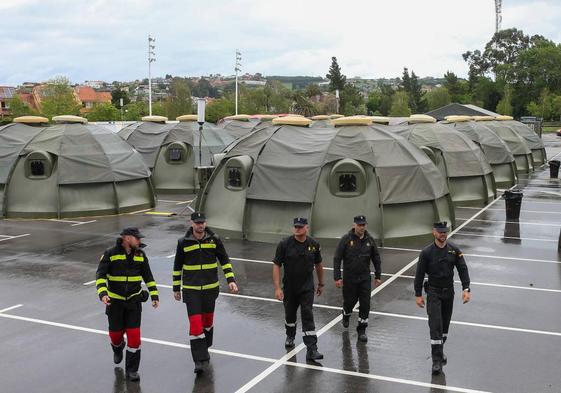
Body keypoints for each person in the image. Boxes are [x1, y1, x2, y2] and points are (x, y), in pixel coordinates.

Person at [173, 212, 238, 374]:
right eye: (197, 223)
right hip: (191, 290)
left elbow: (224, 260)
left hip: (210, 289)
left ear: (205, 223)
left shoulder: (214, 239)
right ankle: (199, 360)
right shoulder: (183, 242)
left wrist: (231, 280)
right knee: (195, 324)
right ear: (192, 223)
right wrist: (176, 288)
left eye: (202, 222)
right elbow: (177, 266)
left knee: (207, 322)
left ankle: (205, 348)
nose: (200, 225)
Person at [96, 227, 159, 381]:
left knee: (135, 338)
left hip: (134, 302)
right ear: (127, 238)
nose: (140, 241)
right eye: (137, 238)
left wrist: (154, 295)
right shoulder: (110, 253)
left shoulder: (141, 255)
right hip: (114, 302)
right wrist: (103, 294)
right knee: (116, 335)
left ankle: (132, 370)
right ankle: (117, 348)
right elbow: (100, 275)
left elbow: (148, 277)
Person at [414, 221, 471, 375]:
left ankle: (440, 350)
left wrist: (466, 288)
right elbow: (419, 275)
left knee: (444, 327)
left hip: (448, 293)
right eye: (440, 232)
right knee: (435, 326)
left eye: (444, 232)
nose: (443, 234)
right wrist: (418, 294)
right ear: (434, 232)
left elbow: (462, 268)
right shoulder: (426, 253)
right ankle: (436, 361)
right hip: (433, 293)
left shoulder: (453, 250)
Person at [273, 217, 325, 361]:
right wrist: (277, 288)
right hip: (289, 287)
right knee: (290, 315)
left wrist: (321, 283)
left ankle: (312, 349)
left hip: (306, 287)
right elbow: (276, 265)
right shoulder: (284, 244)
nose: (298, 229)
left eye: (301, 227)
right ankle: (290, 335)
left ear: (307, 228)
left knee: (307, 314)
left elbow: (319, 265)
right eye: (296, 226)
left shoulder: (313, 245)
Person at [333, 215, 382, 342]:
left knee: (365, 304)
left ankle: (362, 329)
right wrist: (337, 277)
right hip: (350, 279)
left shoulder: (370, 240)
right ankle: (346, 314)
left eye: (363, 225)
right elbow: (337, 258)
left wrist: (378, 275)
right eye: (359, 225)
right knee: (349, 302)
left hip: (364, 278)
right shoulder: (346, 239)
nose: (361, 227)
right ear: (354, 225)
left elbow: (376, 258)